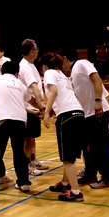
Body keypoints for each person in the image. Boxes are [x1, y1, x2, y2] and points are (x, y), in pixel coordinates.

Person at [57, 47, 109, 189]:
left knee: (102, 146)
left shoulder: (82, 64)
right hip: (87, 115)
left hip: (98, 112)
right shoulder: (72, 73)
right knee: (89, 147)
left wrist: (98, 101)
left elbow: (97, 80)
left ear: (65, 58)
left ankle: (107, 178)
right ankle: (90, 175)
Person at [0, 61, 35, 202]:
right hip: (20, 120)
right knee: (19, 152)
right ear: (16, 73)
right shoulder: (20, 84)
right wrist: (43, 107)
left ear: (2, 71)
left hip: (2, 119)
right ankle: (23, 183)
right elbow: (32, 100)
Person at [40, 54, 85, 202]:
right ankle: (65, 183)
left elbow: (53, 91)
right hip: (79, 114)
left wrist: (46, 112)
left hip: (67, 117)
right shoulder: (62, 75)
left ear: (44, 66)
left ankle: (76, 192)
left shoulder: (49, 73)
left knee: (67, 158)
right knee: (70, 154)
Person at [19, 39, 48, 176]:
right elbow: (33, 86)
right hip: (28, 106)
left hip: (34, 107)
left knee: (32, 136)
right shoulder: (25, 66)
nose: (37, 52)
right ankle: (27, 165)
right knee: (27, 137)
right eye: (36, 49)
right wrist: (42, 104)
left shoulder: (31, 65)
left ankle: (33, 160)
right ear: (31, 51)